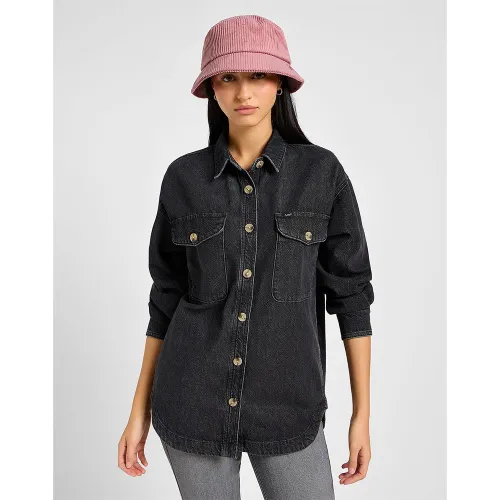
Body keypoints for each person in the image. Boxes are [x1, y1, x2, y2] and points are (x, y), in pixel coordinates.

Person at [118, 14, 374, 499]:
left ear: (281, 83)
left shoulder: (321, 174)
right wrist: (139, 411)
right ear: (211, 89)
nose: (243, 92)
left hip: (289, 408)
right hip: (191, 402)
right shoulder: (183, 179)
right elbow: (166, 298)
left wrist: (361, 415)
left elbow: (352, 295)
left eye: (258, 74)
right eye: (228, 77)